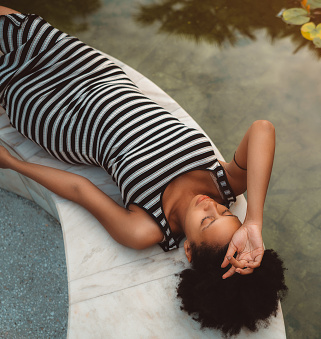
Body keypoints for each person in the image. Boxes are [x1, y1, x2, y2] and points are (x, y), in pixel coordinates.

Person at [0, 6, 287, 336]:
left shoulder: (147, 228)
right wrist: (253, 221)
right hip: (96, 73)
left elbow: (80, 189)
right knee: (17, 25)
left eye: (208, 220)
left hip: (57, 117)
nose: (210, 205)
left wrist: (13, 163)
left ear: (189, 249)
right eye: (225, 211)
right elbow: (262, 129)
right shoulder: (222, 182)